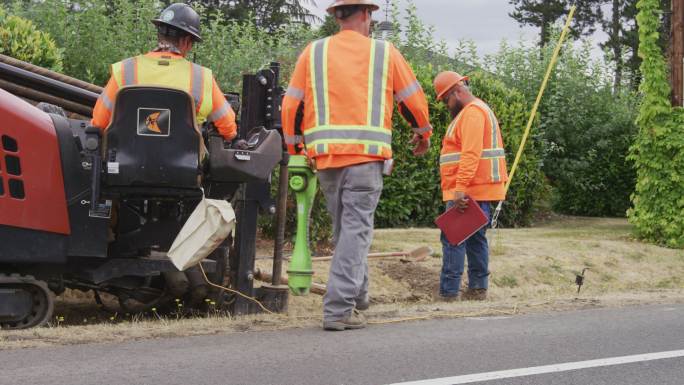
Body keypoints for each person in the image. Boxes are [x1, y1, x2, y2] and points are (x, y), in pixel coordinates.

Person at [282, 0, 433, 331]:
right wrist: (423, 133)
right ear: (365, 14)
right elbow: (412, 100)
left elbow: (291, 103)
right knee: (355, 232)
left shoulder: (313, 52)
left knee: (346, 232)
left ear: (337, 15)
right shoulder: (384, 52)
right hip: (365, 160)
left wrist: (295, 146)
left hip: (325, 161)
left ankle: (359, 296)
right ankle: (338, 309)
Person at [91, 3, 237, 141]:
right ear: (186, 41)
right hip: (186, 167)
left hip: (125, 165)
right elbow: (229, 129)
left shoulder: (125, 70)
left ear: (159, 35)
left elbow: (98, 123)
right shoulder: (202, 78)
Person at [433, 71, 508, 301]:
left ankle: (449, 293)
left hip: (469, 191)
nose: (446, 105)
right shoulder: (476, 111)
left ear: (457, 91)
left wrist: (460, 189)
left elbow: (471, 154)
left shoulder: (472, 113)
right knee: (475, 239)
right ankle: (477, 289)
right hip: (478, 189)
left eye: (447, 99)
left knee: (453, 237)